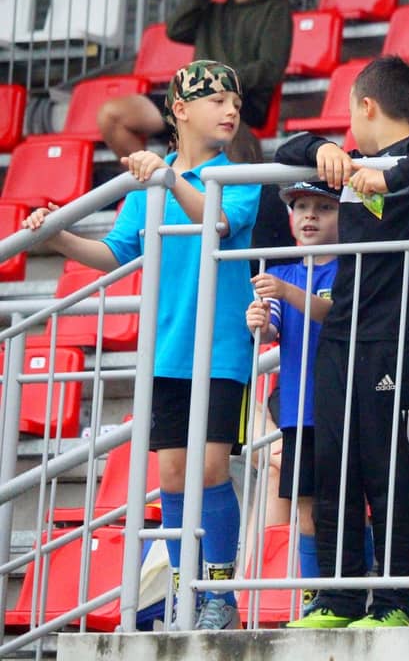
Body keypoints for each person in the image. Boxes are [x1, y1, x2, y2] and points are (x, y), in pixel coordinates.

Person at [24, 60, 261, 631]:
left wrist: (168, 179)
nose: (230, 111)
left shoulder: (238, 175)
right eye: (216, 101)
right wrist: (57, 234)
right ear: (180, 110)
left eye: (235, 102)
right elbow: (115, 253)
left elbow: (216, 222)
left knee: (211, 467)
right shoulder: (151, 182)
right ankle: (185, 590)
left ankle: (220, 594)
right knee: (174, 476)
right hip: (166, 350)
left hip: (222, 345)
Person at [276, 56, 409, 629]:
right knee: (334, 467)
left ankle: (395, 602)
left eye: (348, 114)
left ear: (366, 107)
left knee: (388, 470)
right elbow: (286, 149)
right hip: (342, 335)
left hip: (404, 338)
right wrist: (323, 148)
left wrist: (388, 178)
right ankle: (337, 598)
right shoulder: (348, 162)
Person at [97, 0, 291, 162]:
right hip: (193, 102)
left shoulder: (274, 8)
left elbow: (270, 68)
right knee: (112, 115)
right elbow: (175, 29)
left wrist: (217, 82)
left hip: (240, 105)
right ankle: (155, 180)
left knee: (211, 126)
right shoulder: (210, 11)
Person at [244, 180, 339, 607]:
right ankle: (314, 597)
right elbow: (272, 328)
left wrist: (286, 293)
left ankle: (348, 593)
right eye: (301, 207)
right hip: (300, 409)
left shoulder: (352, 266)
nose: (310, 215)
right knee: (306, 507)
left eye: (324, 207)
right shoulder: (281, 274)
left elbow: (338, 314)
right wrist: (259, 321)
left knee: (346, 505)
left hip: (345, 407)